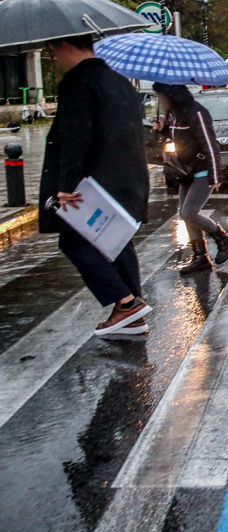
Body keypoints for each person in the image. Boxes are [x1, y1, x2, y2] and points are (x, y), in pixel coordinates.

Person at [39, 34, 151, 338]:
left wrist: (66, 185)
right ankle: (132, 315)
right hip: (127, 180)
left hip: (93, 184)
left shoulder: (78, 81)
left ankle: (126, 304)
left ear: (65, 46)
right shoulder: (120, 81)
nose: (54, 60)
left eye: (51, 51)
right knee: (116, 241)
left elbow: (76, 137)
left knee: (74, 242)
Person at [151, 83, 228, 274]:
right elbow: (182, 140)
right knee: (184, 214)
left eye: (161, 96)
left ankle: (224, 238)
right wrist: (163, 129)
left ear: (171, 95)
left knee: (189, 212)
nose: (160, 100)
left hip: (202, 170)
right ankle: (201, 258)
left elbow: (209, 143)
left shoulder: (197, 112)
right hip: (186, 171)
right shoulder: (174, 114)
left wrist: (216, 174)